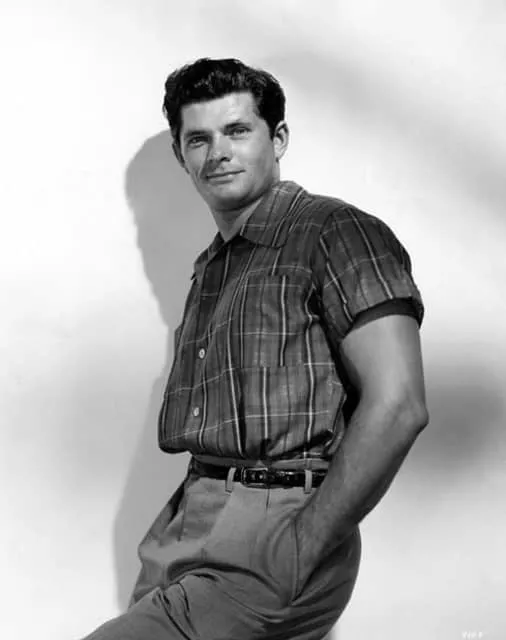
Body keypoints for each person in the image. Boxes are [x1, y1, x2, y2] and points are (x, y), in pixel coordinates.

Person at [82, 57, 429, 640]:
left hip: (273, 528)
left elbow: (399, 405)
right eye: (198, 139)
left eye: (237, 130)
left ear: (279, 138)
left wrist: (304, 544)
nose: (217, 152)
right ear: (182, 156)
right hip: (190, 525)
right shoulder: (212, 267)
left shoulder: (335, 232)